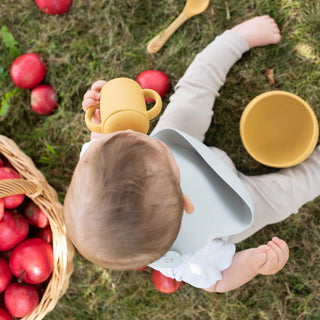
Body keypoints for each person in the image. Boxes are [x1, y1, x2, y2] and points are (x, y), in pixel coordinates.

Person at [64, 15, 320, 292]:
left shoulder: (99, 164)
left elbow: (103, 138)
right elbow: (219, 280)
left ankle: (235, 40)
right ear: (186, 202)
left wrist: (102, 115)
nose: (144, 136)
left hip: (184, 145)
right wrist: (253, 263)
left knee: (193, 91)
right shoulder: (186, 258)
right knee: (291, 193)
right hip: (232, 206)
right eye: (157, 151)